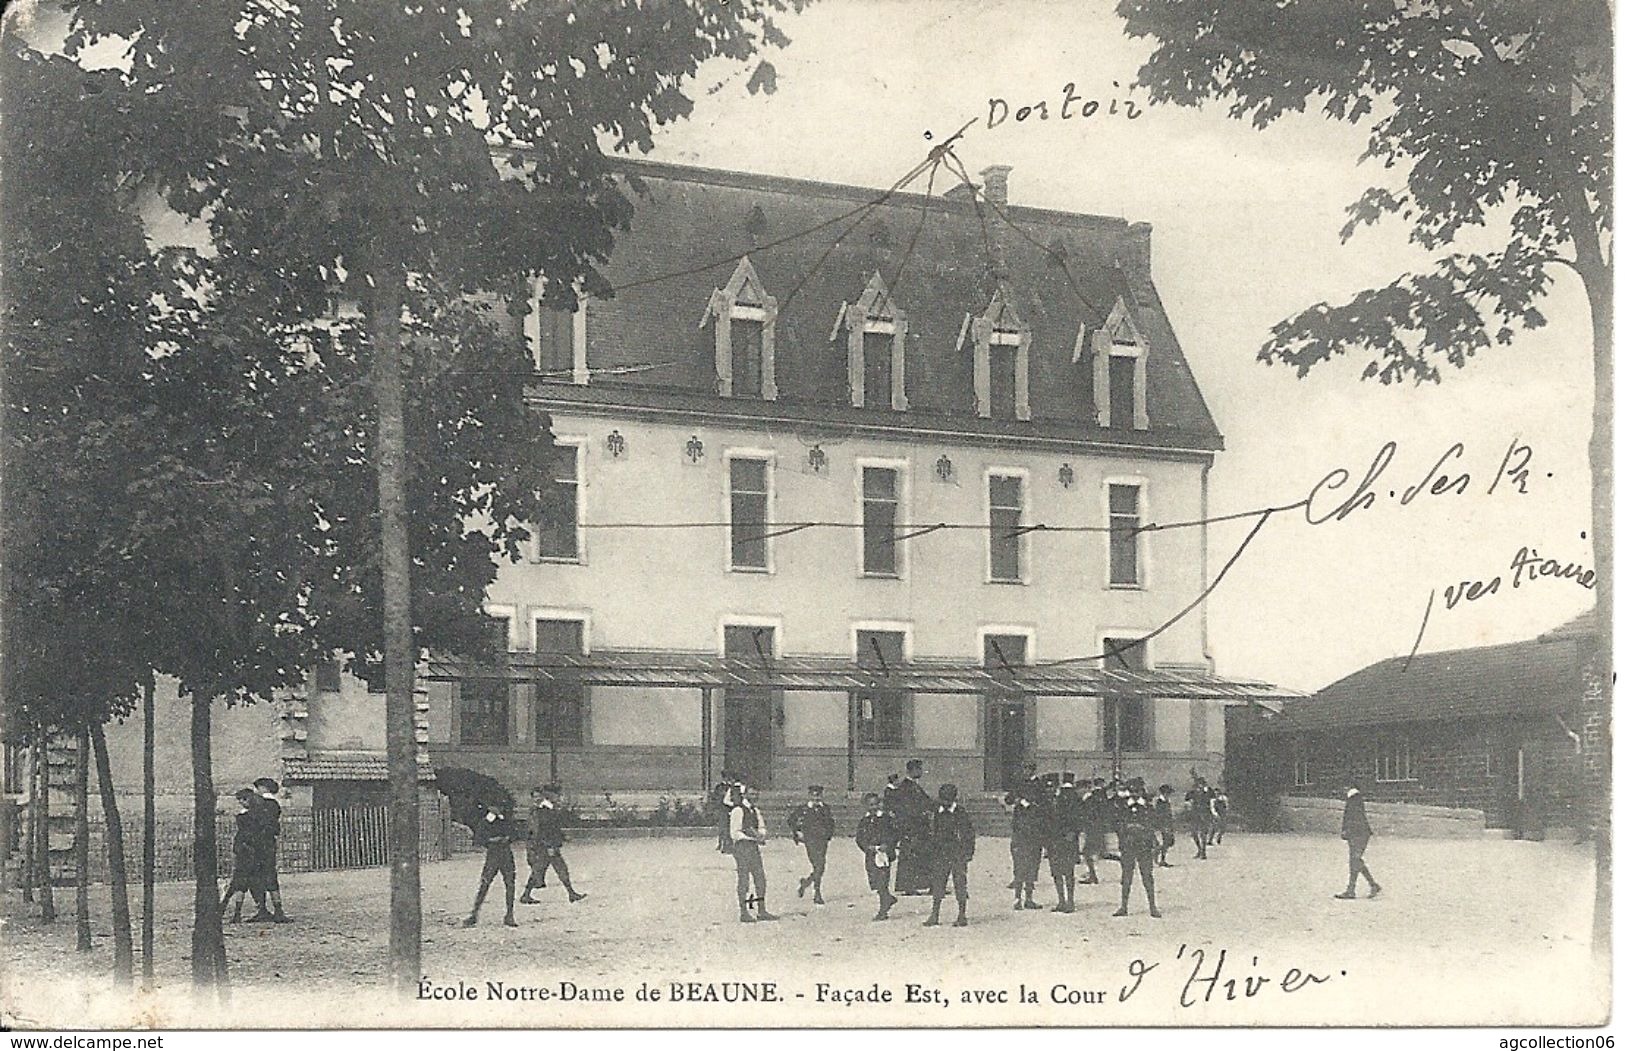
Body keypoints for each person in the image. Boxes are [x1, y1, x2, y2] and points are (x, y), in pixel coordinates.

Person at [520, 783, 586, 905]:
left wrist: (562, 837)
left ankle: (526, 895)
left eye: (540, 796)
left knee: (541, 870)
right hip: (545, 846)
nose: (538, 798)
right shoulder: (540, 811)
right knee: (557, 868)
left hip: (546, 845)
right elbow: (542, 830)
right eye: (535, 797)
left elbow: (553, 827)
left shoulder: (546, 808)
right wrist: (549, 845)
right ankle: (571, 893)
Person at [923, 783, 974, 928]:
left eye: (947, 801)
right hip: (940, 852)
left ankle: (962, 914)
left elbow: (969, 834)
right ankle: (935, 914)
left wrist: (968, 853)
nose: (944, 804)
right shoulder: (937, 812)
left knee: (960, 883)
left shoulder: (960, 812)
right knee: (938, 883)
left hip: (957, 853)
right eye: (942, 800)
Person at [464, 801, 519, 927]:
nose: (498, 809)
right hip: (493, 855)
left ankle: (510, 914)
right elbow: (479, 839)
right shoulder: (485, 822)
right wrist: (492, 840)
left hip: (506, 854)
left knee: (510, 884)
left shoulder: (505, 820)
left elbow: (515, 834)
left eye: (500, 806)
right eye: (496, 806)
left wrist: (508, 838)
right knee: (485, 883)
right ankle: (474, 913)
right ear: (490, 807)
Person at [729, 782, 778, 922]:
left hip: (753, 848)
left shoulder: (755, 811)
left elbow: (762, 826)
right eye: (751, 794)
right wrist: (752, 837)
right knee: (744, 879)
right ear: (745, 794)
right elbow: (735, 833)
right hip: (742, 848)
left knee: (760, 879)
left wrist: (761, 834)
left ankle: (761, 910)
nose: (754, 796)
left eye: (756, 794)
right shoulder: (738, 810)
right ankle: (744, 912)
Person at [1113, 780, 1162, 918]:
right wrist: (1126, 829)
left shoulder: (1147, 807)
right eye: (1132, 791)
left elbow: (1153, 824)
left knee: (1147, 876)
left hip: (1144, 846)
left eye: (1137, 791)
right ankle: (1123, 907)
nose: (1134, 794)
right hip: (1128, 846)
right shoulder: (1122, 807)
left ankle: (1153, 907)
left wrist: (1142, 829)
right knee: (1126, 877)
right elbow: (1117, 824)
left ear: (1142, 792)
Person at [221, 788, 268, 923]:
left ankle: (234, 913)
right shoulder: (260, 815)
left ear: (248, 799)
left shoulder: (244, 817)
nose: (241, 803)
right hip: (255, 852)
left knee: (239, 883)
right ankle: (259, 909)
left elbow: (242, 835)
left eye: (242, 800)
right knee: (253, 882)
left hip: (245, 852)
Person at [250, 777, 291, 923]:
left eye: (258, 787)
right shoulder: (274, 804)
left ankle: (265, 909)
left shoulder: (262, 803)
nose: (256, 790)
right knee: (268, 874)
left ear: (264, 788)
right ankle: (276, 910)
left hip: (258, 844)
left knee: (258, 875)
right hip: (268, 843)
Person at [891, 759, 934, 896]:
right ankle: (908, 886)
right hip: (911, 827)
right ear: (913, 770)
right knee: (909, 856)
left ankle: (920, 884)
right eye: (919, 769)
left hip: (918, 827)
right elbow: (907, 809)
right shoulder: (906, 787)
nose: (921, 772)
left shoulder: (914, 786)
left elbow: (926, 801)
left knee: (920, 855)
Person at [855, 791, 900, 920]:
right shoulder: (865, 821)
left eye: (875, 804)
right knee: (874, 881)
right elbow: (859, 838)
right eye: (870, 805)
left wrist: (888, 844)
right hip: (871, 854)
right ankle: (888, 898)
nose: (873, 807)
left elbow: (895, 834)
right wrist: (866, 847)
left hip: (884, 854)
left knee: (882, 881)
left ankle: (883, 910)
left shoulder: (886, 819)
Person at [788, 783, 836, 905]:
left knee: (820, 866)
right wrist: (797, 832)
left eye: (818, 796)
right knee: (818, 865)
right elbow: (791, 820)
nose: (816, 798)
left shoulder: (825, 808)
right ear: (809, 796)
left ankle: (806, 883)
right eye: (814, 796)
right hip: (810, 841)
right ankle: (817, 893)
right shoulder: (804, 809)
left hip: (822, 840)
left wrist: (828, 835)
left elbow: (831, 822)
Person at [1336, 781, 1382, 900]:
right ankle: (1370, 886)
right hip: (1358, 834)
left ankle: (1354, 890)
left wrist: (1346, 831)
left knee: (1355, 860)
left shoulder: (1354, 799)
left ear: (1348, 787)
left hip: (1358, 834)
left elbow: (1353, 818)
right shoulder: (1354, 799)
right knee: (1355, 861)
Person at [1009, 784, 1046, 910]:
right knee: (1020, 870)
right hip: (1021, 842)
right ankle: (1018, 898)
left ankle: (1029, 898)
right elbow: (1017, 826)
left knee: (1032, 870)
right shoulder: (1020, 808)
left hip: (1033, 843)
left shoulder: (1036, 807)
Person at [1048, 773, 1082, 913]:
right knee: (1059, 871)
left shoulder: (1067, 797)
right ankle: (1063, 901)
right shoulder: (1053, 799)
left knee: (1065, 871)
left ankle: (1068, 901)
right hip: (1058, 838)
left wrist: (1073, 832)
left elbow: (1078, 817)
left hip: (1063, 838)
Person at [1078, 778, 1108, 884]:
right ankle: (1092, 874)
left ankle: (1092, 875)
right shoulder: (1100, 795)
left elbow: (1085, 812)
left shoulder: (1089, 798)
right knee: (1092, 852)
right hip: (1098, 827)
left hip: (1092, 828)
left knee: (1087, 852)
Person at [1184, 775, 1214, 861]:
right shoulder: (1192, 793)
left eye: (1202, 784)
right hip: (1195, 814)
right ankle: (1199, 849)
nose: (1200, 786)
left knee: (1203, 833)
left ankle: (1203, 851)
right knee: (1194, 833)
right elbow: (1187, 800)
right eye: (1198, 784)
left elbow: (1212, 801)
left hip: (1204, 814)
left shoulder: (1207, 793)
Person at [711, 769, 740, 855]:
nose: (729, 779)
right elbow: (716, 798)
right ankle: (721, 844)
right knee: (723, 827)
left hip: (730, 809)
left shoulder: (733, 787)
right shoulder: (719, 787)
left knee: (728, 827)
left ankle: (727, 845)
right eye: (727, 777)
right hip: (722, 809)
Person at [1153, 784, 1176, 868]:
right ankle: (1157, 858)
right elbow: (1158, 816)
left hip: (1167, 825)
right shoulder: (1160, 802)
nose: (1169, 795)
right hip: (1161, 825)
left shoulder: (1166, 801)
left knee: (1168, 842)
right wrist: (1162, 826)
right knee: (1162, 843)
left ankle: (1161, 859)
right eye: (1168, 793)